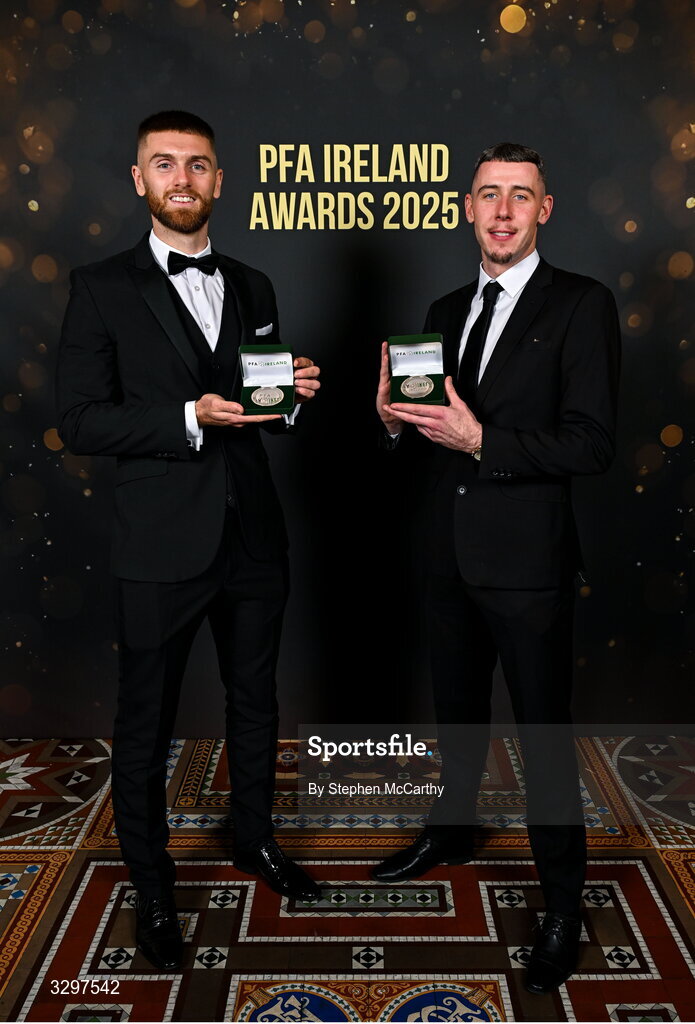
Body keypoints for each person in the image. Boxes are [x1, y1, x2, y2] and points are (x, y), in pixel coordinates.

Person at [56, 110, 321, 972]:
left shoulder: (254, 283)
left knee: (254, 706)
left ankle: (254, 841)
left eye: (198, 165)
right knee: (146, 724)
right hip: (160, 543)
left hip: (252, 535)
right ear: (139, 180)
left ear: (219, 180)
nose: (182, 179)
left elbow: (262, 406)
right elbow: (82, 419)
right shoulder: (99, 286)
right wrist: (185, 417)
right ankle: (154, 888)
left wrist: (293, 399)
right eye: (164, 165)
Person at [374, 143, 620, 994]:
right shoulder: (444, 306)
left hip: (527, 564)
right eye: (488, 195)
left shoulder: (582, 304)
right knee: (457, 714)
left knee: (543, 739)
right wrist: (394, 422)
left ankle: (560, 903)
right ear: (467, 208)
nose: (503, 211)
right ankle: (452, 827)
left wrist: (485, 440)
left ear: (544, 210)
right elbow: (429, 431)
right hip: (446, 554)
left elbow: (590, 442)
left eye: (521, 196)